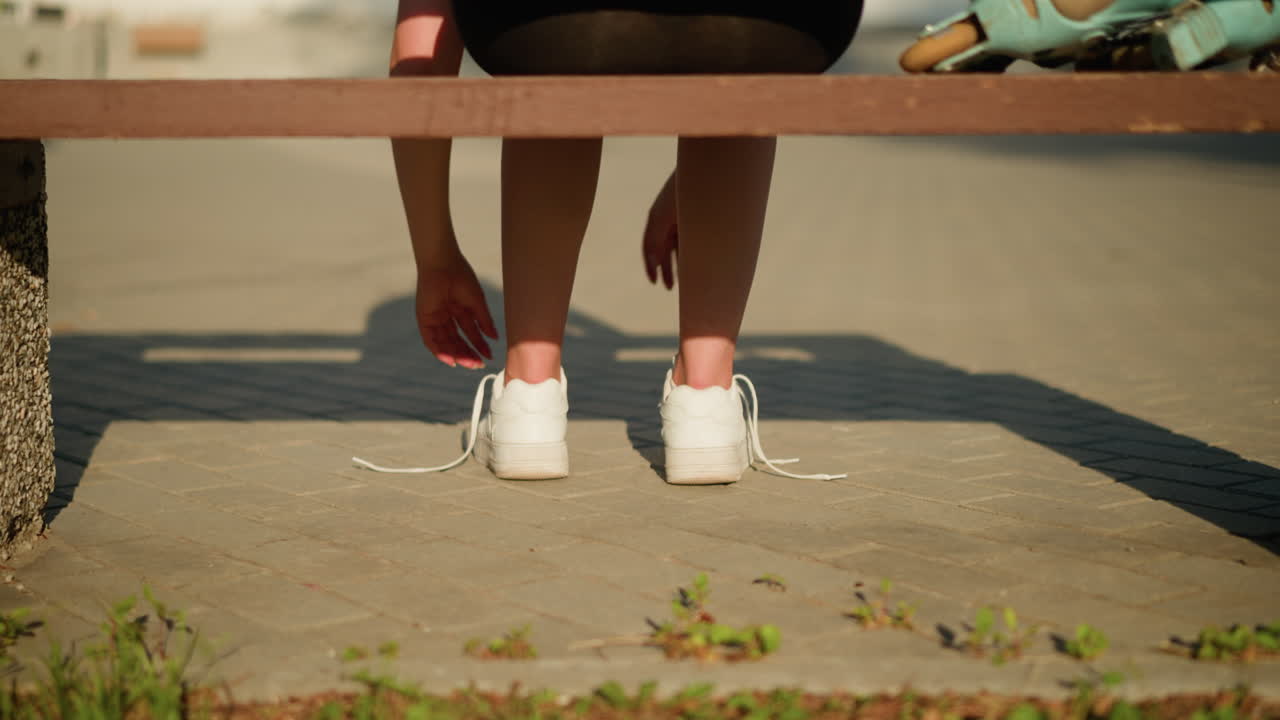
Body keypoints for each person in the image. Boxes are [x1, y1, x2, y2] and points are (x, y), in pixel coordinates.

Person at [356, 1, 862, 484]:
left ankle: (529, 398)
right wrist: (693, 185)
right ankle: (705, 401)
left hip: (551, 25)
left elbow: (420, 57)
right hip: (792, 21)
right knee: (747, 59)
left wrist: (436, 255)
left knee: (551, 56)